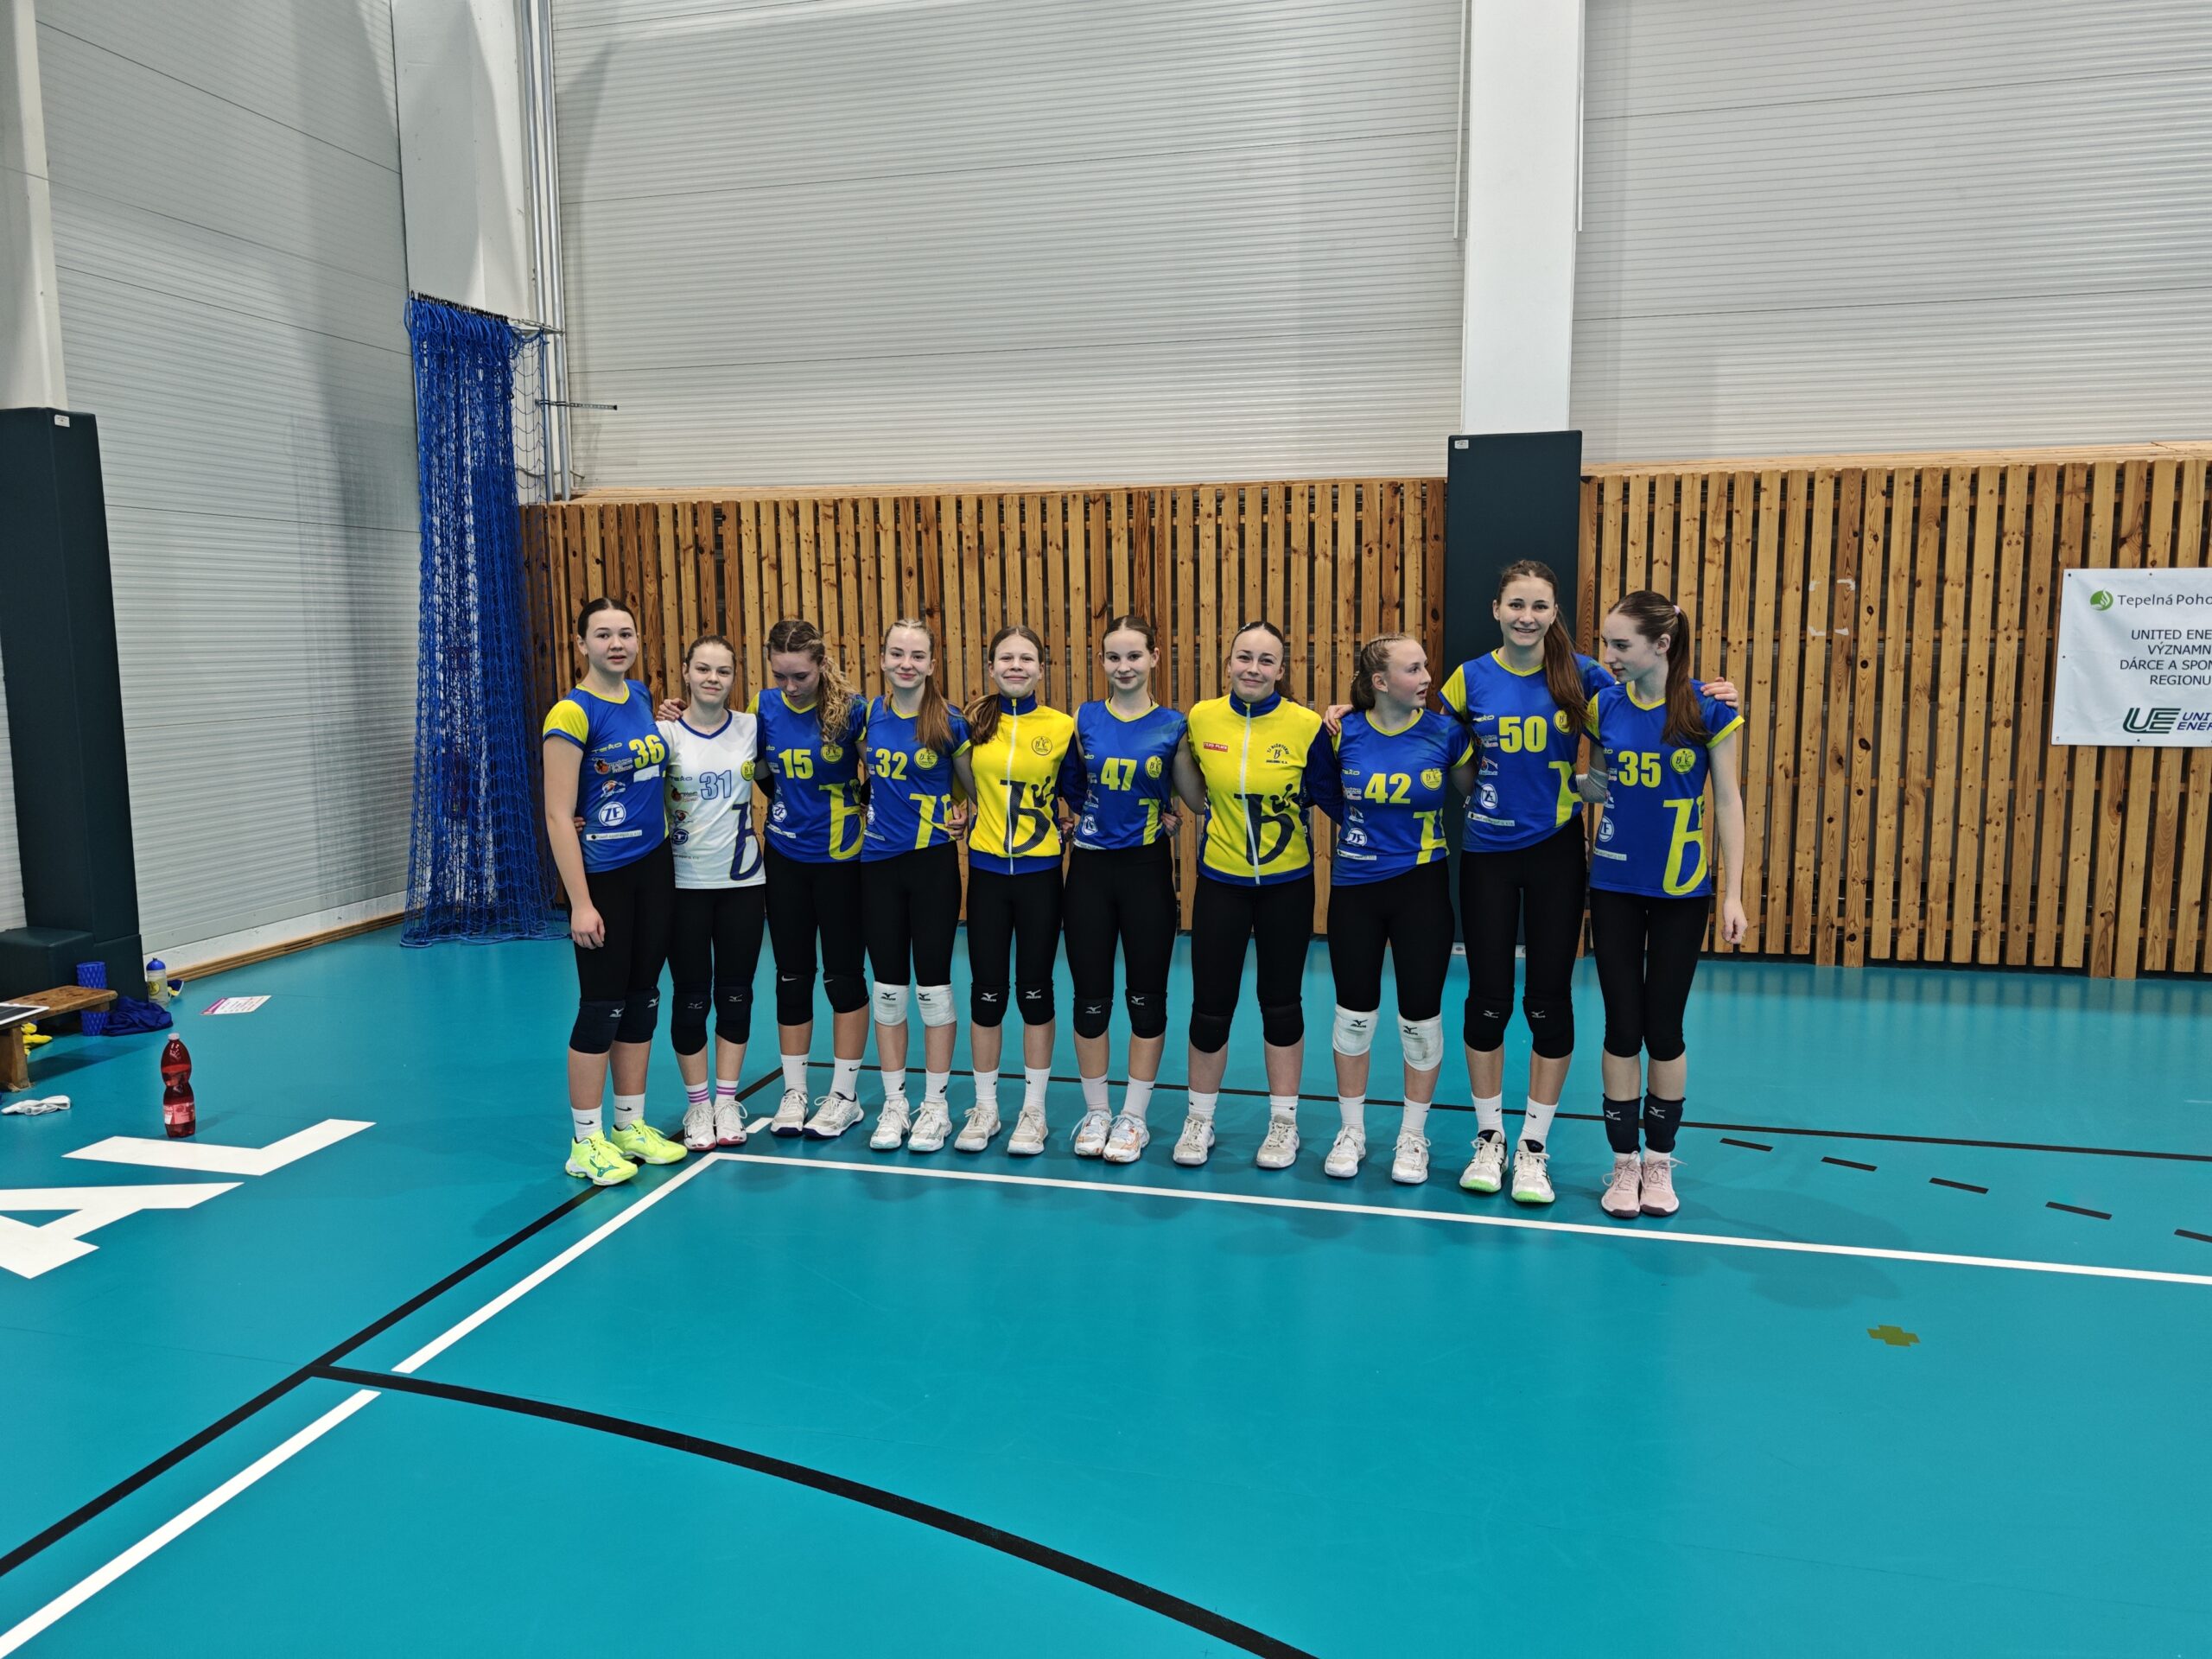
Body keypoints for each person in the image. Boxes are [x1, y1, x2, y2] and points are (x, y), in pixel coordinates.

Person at [1435, 562, 1736, 1207]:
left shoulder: (1587, 676)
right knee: (1487, 1000)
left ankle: (1534, 1148)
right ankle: (1489, 1139)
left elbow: (1655, 686)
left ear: (1555, 612)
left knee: (1549, 1001)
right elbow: (1428, 732)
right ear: (1496, 609)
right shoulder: (1468, 678)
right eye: (1516, 604)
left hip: (1559, 854)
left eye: (1540, 606)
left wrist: (1718, 690)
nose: (1527, 617)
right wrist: (1349, 708)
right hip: (1487, 853)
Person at [1584, 590, 1745, 1220]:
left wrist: (1733, 893)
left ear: (1663, 644)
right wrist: (1535, 780)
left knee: (1665, 1029)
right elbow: (1599, 784)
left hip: (1681, 890)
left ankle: (1658, 1159)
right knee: (1622, 1027)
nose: (1610, 655)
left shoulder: (1708, 709)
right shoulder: (1604, 706)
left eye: (1621, 644)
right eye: (1607, 643)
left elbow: (1727, 801)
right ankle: (1623, 1163)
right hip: (1614, 884)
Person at [1309, 635, 1476, 1185]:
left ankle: (1412, 1136)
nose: (1427, 677)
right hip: (1356, 888)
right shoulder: (1341, 732)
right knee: (1353, 1015)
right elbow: (1322, 789)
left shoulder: (1447, 734)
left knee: (1420, 1019)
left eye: (1426, 665)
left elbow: (1474, 791)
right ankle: (1351, 1130)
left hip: (1421, 888)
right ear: (1380, 682)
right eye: (1413, 669)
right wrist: (1363, 828)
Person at [1169, 620, 1330, 1171]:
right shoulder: (1202, 717)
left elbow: (1331, 789)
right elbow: (1187, 785)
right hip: (1221, 883)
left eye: (1266, 661)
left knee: (1281, 1005)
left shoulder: (1307, 726)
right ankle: (1199, 1119)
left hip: (1288, 885)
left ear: (1281, 670)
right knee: (1210, 1008)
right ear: (1229, 663)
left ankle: (1284, 1123)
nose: (1253, 669)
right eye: (1244, 657)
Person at [540, 597, 688, 1185]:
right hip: (603, 876)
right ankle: (585, 1142)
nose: (616, 644)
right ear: (582, 645)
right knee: (601, 1007)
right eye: (603, 635)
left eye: (625, 633)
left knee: (643, 998)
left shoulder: (642, 696)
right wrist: (579, 902)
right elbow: (558, 814)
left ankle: (629, 1125)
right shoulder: (570, 713)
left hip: (653, 867)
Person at [1059, 617, 1186, 1163]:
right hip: (1089, 871)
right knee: (1090, 997)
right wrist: (1075, 817)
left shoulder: (1175, 725)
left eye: (1134, 656)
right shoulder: (1083, 718)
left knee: (1146, 997)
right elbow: (1070, 783)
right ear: (1102, 662)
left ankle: (1134, 1116)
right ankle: (1097, 1111)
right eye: (1114, 657)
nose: (1124, 666)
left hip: (1146, 871)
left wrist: (1168, 810)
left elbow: (1191, 793)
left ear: (1155, 657)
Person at [949, 625, 1077, 1155]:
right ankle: (986, 1107)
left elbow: (1083, 792)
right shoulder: (972, 724)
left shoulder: (1063, 727)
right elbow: (956, 783)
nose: (1016, 666)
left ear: (1042, 669)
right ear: (991, 667)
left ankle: (1034, 1110)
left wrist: (1160, 811)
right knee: (986, 991)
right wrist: (959, 812)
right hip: (985, 874)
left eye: (1027, 659)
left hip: (1040, 875)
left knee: (1035, 990)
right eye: (1006, 658)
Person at [750, 619, 871, 1138]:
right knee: (791, 976)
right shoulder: (764, 707)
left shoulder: (852, 711)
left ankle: (844, 1095)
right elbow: (759, 771)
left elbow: (878, 776)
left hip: (842, 861)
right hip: (785, 858)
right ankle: (795, 1091)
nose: (789, 686)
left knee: (843, 977)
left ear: (821, 664)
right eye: (780, 675)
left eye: (799, 675)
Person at [855, 620, 971, 1153]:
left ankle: (936, 1105)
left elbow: (974, 788)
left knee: (933, 987)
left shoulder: (949, 722)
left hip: (932, 866)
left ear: (931, 664)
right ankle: (895, 1101)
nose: (907, 663)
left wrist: (962, 813)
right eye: (897, 653)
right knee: (887, 987)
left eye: (917, 655)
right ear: (882, 659)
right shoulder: (865, 717)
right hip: (877, 866)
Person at [658, 634, 765, 1152]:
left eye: (723, 671)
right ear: (685, 671)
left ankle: (726, 1100)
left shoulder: (751, 728)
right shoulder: (663, 734)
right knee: (691, 997)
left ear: (733, 677)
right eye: (703, 668)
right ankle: (698, 1105)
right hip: (684, 886)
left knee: (736, 994)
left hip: (744, 884)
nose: (712, 679)